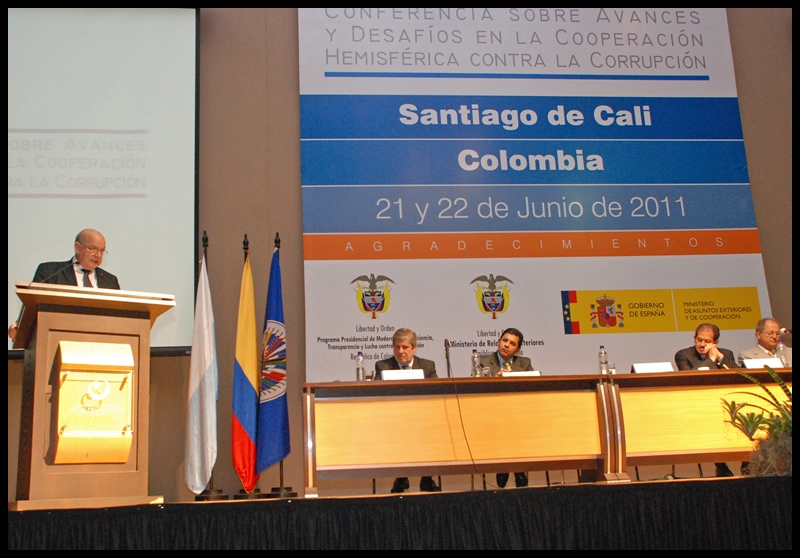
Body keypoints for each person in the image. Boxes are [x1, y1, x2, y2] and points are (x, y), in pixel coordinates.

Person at [9, 229, 120, 340]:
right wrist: (19, 328)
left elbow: (118, 317)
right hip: (55, 340)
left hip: (99, 342)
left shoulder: (110, 281)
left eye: (102, 251)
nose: (98, 255)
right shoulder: (50, 272)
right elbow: (33, 307)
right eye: (93, 249)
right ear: (77, 247)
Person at [375, 328, 440, 493]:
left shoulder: (427, 366)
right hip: (394, 416)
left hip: (422, 415)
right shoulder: (383, 366)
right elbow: (376, 393)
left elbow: (437, 390)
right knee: (395, 429)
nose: (400, 351)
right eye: (397, 347)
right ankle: (400, 477)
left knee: (430, 429)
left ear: (414, 348)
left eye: (405, 347)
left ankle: (427, 478)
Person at [674, 323, 738, 477]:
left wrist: (720, 358)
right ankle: (720, 464)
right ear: (694, 338)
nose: (702, 344)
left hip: (725, 400)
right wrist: (711, 359)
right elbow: (689, 378)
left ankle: (747, 462)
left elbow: (740, 374)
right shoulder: (683, 355)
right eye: (699, 340)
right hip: (698, 403)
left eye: (707, 341)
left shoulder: (726, 354)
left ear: (716, 342)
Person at [480, 327, 533, 488]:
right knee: (505, 426)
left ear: (518, 349)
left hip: (518, 412)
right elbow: (474, 386)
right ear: (498, 341)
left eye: (512, 343)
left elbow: (533, 384)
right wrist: (492, 382)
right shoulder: (483, 361)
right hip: (493, 413)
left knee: (519, 425)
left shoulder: (525, 363)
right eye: (504, 340)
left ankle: (516, 468)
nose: (507, 345)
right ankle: (507, 466)